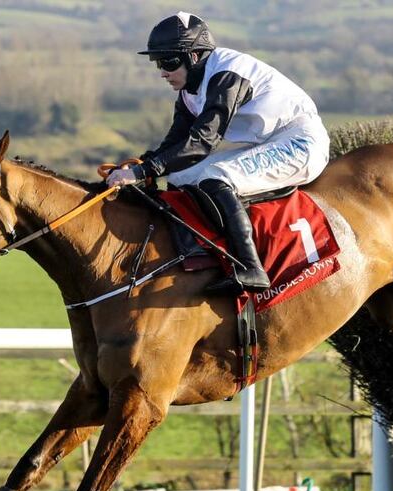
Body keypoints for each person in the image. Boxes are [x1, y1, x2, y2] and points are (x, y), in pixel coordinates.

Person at [105, 11, 331, 295]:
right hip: (268, 144)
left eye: (169, 62)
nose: (162, 71)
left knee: (215, 176)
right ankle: (193, 254)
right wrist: (140, 168)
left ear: (195, 56)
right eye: (157, 62)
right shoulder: (189, 90)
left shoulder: (227, 75)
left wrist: (142, 172)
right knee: (181, 176)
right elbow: (176, 143)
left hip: (301, 143)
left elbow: (201, 143)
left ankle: (250, 268)